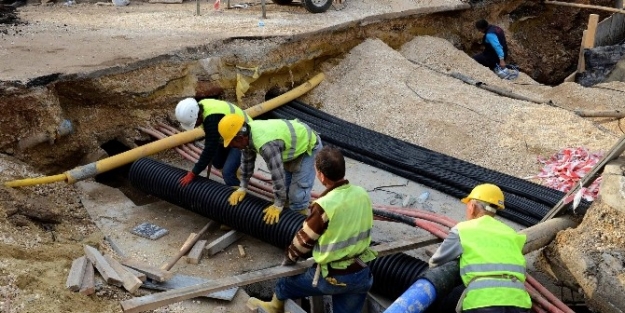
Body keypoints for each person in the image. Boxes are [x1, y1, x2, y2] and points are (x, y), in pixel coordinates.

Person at [246, 146, 377, 313]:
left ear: (321, 175)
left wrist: (289, 258)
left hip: (332, 277)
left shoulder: (325, 205)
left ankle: (274, 307)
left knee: (286, 281)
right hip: (360, 274)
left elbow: (304, 241)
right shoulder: (362, 194)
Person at [429, 183, 532, 313]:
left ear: (472, 207)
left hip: (483, 301)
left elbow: (435, 262)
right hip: (519, 302)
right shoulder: (512, 233)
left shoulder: (463, 229)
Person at [217, 114, 322, 225]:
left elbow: (277, 176)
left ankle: (297, 225)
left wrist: (278, 204)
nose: (233, 147)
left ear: (240, 138)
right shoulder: (247, 134)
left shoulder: (266, 145)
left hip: (306, 147)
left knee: (297, 194)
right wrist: (242, 187)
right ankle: (283, 218)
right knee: (284, 190)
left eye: (232, 144)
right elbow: (247, 162)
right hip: (289, 148)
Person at [175, 98, 251, 188]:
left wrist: (193, 173)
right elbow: (212, 142)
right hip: (228, 133)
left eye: (194, 123)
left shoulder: (212, 119)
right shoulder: (198, 107)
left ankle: (240, 197)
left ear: (198, 116)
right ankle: (235, 166)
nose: (194, 126)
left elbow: (209, 149)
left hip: (243, 137)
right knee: (217, 162)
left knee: (228, 173)